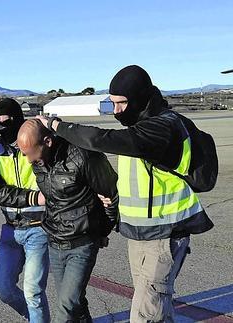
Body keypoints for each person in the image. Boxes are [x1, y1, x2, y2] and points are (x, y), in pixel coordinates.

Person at [37, 65, 214, 322]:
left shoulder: (161, 128)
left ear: (141, 99)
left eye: (121, 103)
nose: (117, 111)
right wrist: (114, 201)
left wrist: (56, 125)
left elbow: (102, 139)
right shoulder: (140, 126)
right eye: (112, 104)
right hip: (140, 233)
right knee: (155, 309)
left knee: (145, 315)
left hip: (164, 235)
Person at [17, 119, 118, 323]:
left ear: (48, 141)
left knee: (65, 308)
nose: (28, 161)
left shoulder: (84, 156)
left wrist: (102, 232)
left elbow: (110, 195)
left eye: (31, 154)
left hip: (82, 243)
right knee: (76, 301)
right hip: (55, 241)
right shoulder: (38, 161)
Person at [0, 98, 50, 322]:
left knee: (33, 291)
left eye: (7, 121)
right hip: (11, 229)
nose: (2, 125)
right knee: (3, 288)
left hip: (39, 227)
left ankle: (37, 317)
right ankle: (34, 316)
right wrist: (32, 197)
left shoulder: (40, 142)